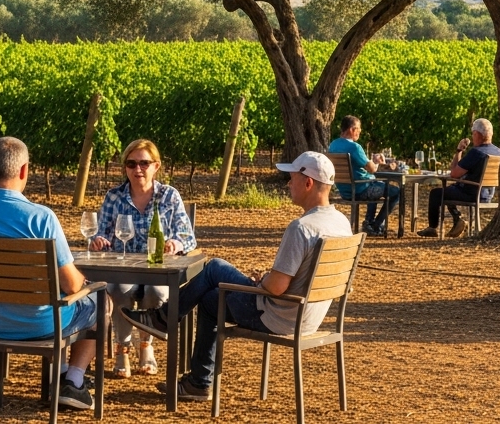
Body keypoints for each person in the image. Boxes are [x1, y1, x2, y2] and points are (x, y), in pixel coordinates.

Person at [121, 151, 353, 403]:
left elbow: (275, 287)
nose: (288, 183)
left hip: (278, 316)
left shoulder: (302, 228)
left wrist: (261, 281)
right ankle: (196, 381)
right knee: (211, 300)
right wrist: (267, 279)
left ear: (308, 183)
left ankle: (165, 319)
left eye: (292, 177)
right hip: (309, 317)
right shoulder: (340, 222)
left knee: (214, 268)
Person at [0, 137, 98, 409]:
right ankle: (74, 381)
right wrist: (86, 283)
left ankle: (61, 376)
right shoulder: (41, 218)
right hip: (43, 326)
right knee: (98, 301)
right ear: (24, 170)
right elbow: (72, 285)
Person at [90, 138, 196, 378]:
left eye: (144, 163)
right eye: (131, 164)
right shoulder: (114, 196)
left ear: (156, 166)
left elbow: (188, 237)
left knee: (156, 293)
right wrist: (98, 241)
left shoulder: (169, 196)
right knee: (117, 289)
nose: (137, 169)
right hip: (123, 267)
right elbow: (102, 232)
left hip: (158, 267)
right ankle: (122, 350)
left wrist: (175, 243)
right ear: (125, 167)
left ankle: (146, 347)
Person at [416, 118, 500, 239]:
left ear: (476, 134)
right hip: (488, 194)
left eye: (473, 134)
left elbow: (454, 174)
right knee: (451, 189)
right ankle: (457, 219)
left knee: (436, 193)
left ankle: (432, 228)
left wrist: (459, 151)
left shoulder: (476, 153)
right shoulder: (499, 152)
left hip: (471, 193)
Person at [328, 115, 401, 235]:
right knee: (397, 192)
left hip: (344, 190)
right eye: (359, 129)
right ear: (352, 130)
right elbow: (372, 169)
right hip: (359, 190)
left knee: (376, 184)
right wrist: (377, 161)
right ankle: (376, 225)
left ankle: (369, 222)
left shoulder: (333, 145)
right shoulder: (354, 147)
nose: (360, 132)